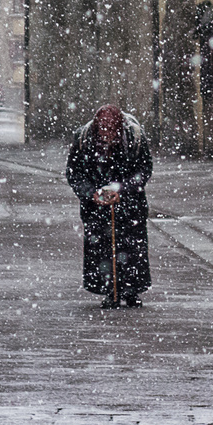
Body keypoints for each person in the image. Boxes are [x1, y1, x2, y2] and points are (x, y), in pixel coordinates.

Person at [66, 104, 152, 308]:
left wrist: (121, 190)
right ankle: (109, 290)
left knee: (132, 248)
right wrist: (91, 192)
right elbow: (74, 172)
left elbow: (144, 169)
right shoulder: (83, 139)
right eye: (103, 130)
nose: (107, 134)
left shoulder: (135, 137)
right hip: (96, 208)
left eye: (112, 130)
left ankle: (131, 290)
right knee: (102, 249)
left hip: (131, 205)